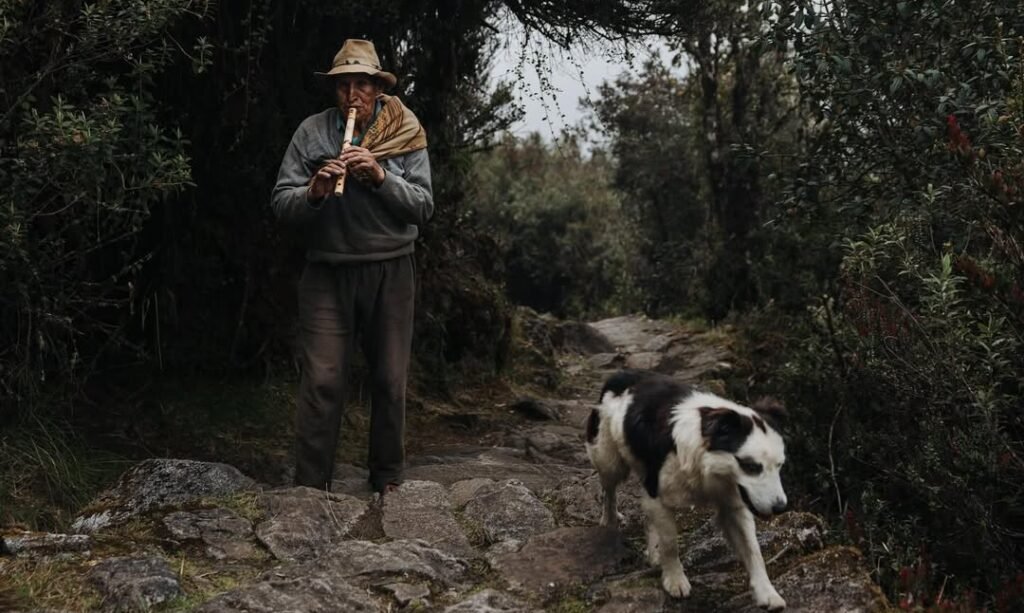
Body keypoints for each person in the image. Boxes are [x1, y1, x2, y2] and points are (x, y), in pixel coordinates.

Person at [270, 39, 433, 494]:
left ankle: (387, 482)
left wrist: (381, 177)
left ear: (378, 88)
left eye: (362, 84)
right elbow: (282, 203)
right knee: (322, 380)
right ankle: (309, 488)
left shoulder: (405, 130)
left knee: (389, 380)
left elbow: (423, 207)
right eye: (344, 85)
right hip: (327, 272)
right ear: (334, 89)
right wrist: (314, 193)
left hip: (390, 271)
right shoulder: (312, 133)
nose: (352, 95)